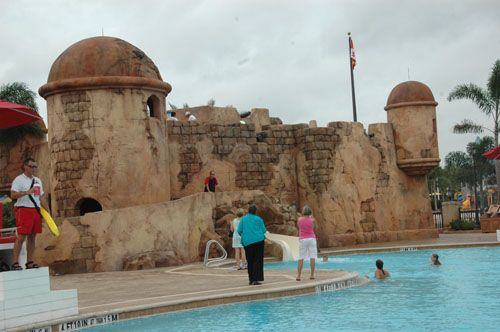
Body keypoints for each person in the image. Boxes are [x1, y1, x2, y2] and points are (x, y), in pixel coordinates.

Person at [10, 158, 49, 270]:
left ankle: (30, 261)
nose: (34, 169)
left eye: (35, 167)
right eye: (31, 167)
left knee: (32, 237)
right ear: (25, 166)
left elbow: (41, 196)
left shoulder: (38, 180)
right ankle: (15, 262)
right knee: (21, 236)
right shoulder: (19, 180)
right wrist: (27, 192)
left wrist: (47, 212)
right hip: (24, 209)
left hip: (35, 209)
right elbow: (13, 195)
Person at [237, 204, 267, 285]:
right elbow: (264, 230)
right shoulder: (259, 219)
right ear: (255, 212)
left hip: (248, 242)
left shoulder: (244, 219)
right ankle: (257, 279)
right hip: (259, 241)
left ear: (248, 211)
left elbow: (239, 230)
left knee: (250, 260)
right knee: (258, 260)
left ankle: (251, 279)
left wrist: (245, 236)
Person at [296, 205, 317, 281]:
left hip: (303, 239)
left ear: (303, 211)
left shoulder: (299, 219)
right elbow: (314, 228)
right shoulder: (312, 220)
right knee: (312, 257)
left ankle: (298, 276)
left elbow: (299, 227)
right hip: (311, 238)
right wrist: (312, 217)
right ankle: (312, 275)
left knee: (301, 257)